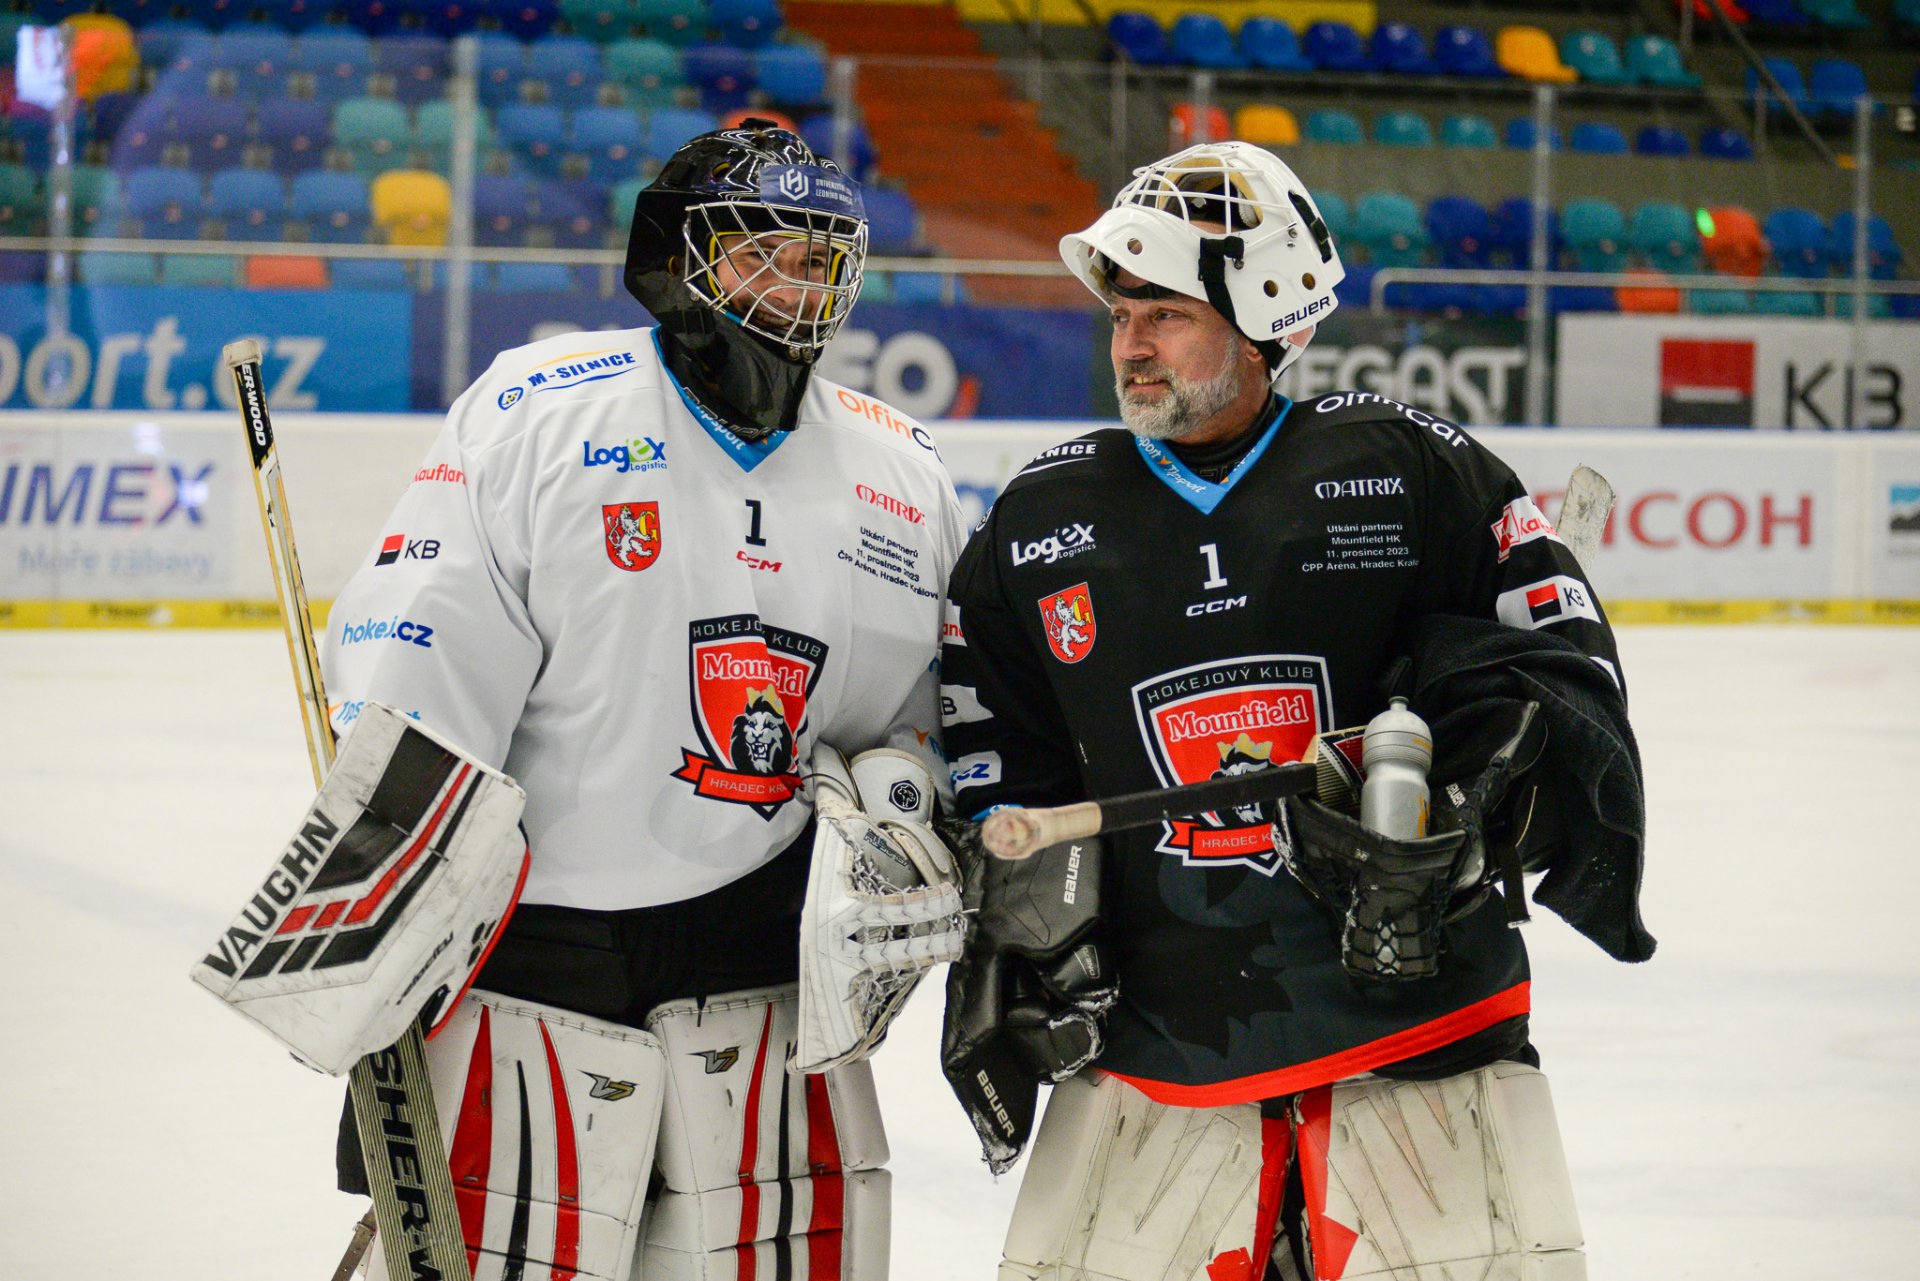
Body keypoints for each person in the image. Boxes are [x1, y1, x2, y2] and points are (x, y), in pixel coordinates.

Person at [937, 142, 1653, 1280]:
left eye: (1167, 314)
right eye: (1122, 314)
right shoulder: (1039, 516)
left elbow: (1564, 673)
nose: (1131, 344)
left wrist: (1481, 812)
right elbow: (986, 741)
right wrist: (1021, 912)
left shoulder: (1407, 466)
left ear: (1267, 316)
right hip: (1159, 1039)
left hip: (1417, 1026)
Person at [321, 120, 966, 1280]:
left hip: (766, 967)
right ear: (678, 254)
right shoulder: (541, 410)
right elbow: (421, 652)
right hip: (532, 955)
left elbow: (916, 725)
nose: (797, 287)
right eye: (763, 252)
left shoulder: (902, 471)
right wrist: (390, 888)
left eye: (820, 260)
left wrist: (902, 825)